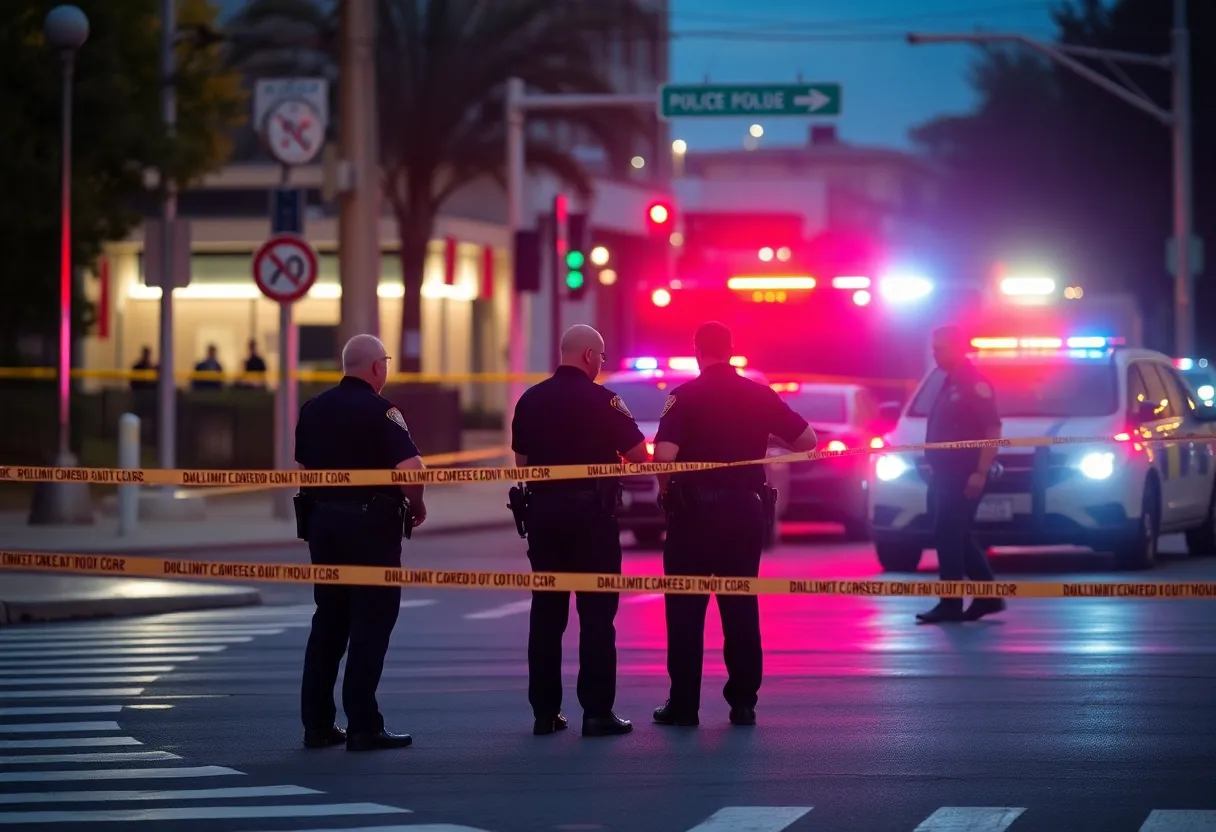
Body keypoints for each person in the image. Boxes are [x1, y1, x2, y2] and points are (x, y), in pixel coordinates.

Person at [650, 322, 818, 727]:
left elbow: (665, 457)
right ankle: (743, 703)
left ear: (697, 351)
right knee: (740, 607)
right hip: (745, 513)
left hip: (693, 516)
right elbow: (808, 440)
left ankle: (684, 705)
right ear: (731, 350)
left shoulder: (684, 396)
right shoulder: (759, 394)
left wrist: (665, 492)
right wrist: (763, 445)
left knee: (686, 610)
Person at [510, 324, 649, 738]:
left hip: (544, 517)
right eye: (602, 357)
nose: (601, 365)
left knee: (547, 615)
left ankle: (544, 713)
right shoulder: (606, 401)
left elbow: (521, 464)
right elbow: (641, 456)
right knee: (597, 616)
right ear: (590, 356)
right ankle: (597, 713)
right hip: (592, 520)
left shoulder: (530, 399)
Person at [294, 333, 428, 752]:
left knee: (329, 621)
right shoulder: (382, 410)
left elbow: (304, 470)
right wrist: (417, 505)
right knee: (371, 621)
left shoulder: (312, 409)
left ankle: (317, 725)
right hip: (370, 529)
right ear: (376, 367)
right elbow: (411, 469)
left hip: (323, 526)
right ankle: (363, 724)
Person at [916, 325, 1005, 624]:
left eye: (940, 348)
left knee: (947, 533)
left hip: (963, 473)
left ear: (957, 348)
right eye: (934, 348)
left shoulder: (973, 383)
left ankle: (951, 604)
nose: (935, 353)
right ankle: (987, 596)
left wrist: (979, 472)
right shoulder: (948, 382)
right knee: (956, 533)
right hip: (944, 473)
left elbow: (992, 429)